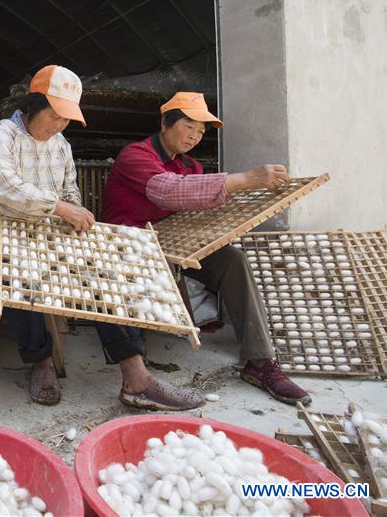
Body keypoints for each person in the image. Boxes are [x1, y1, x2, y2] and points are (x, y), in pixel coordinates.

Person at [100, 91, 311, 406]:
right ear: (165, 123)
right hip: (127, 244)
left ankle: (260, 361)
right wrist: (245, 178)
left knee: (232, 260)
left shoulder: (192, 166)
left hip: (174, 244)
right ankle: (137, 377)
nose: (195, 136)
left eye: (201, 132)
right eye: (189, 126)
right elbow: (169, 192)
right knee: (117, 273)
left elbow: (195, 212)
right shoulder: (136, 156)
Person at [0, 65, 96, 405]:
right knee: (14, 272)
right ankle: (40, 359)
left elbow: (70, 193)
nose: (59, 125)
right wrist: (62, 209)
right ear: (32, 106)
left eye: (66, 119)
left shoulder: (61, 145)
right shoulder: (1, 134)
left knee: (97, 271)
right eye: (54, 116)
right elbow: (2, 192)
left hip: (41, 238)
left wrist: (75, 214)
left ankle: (134, 369)